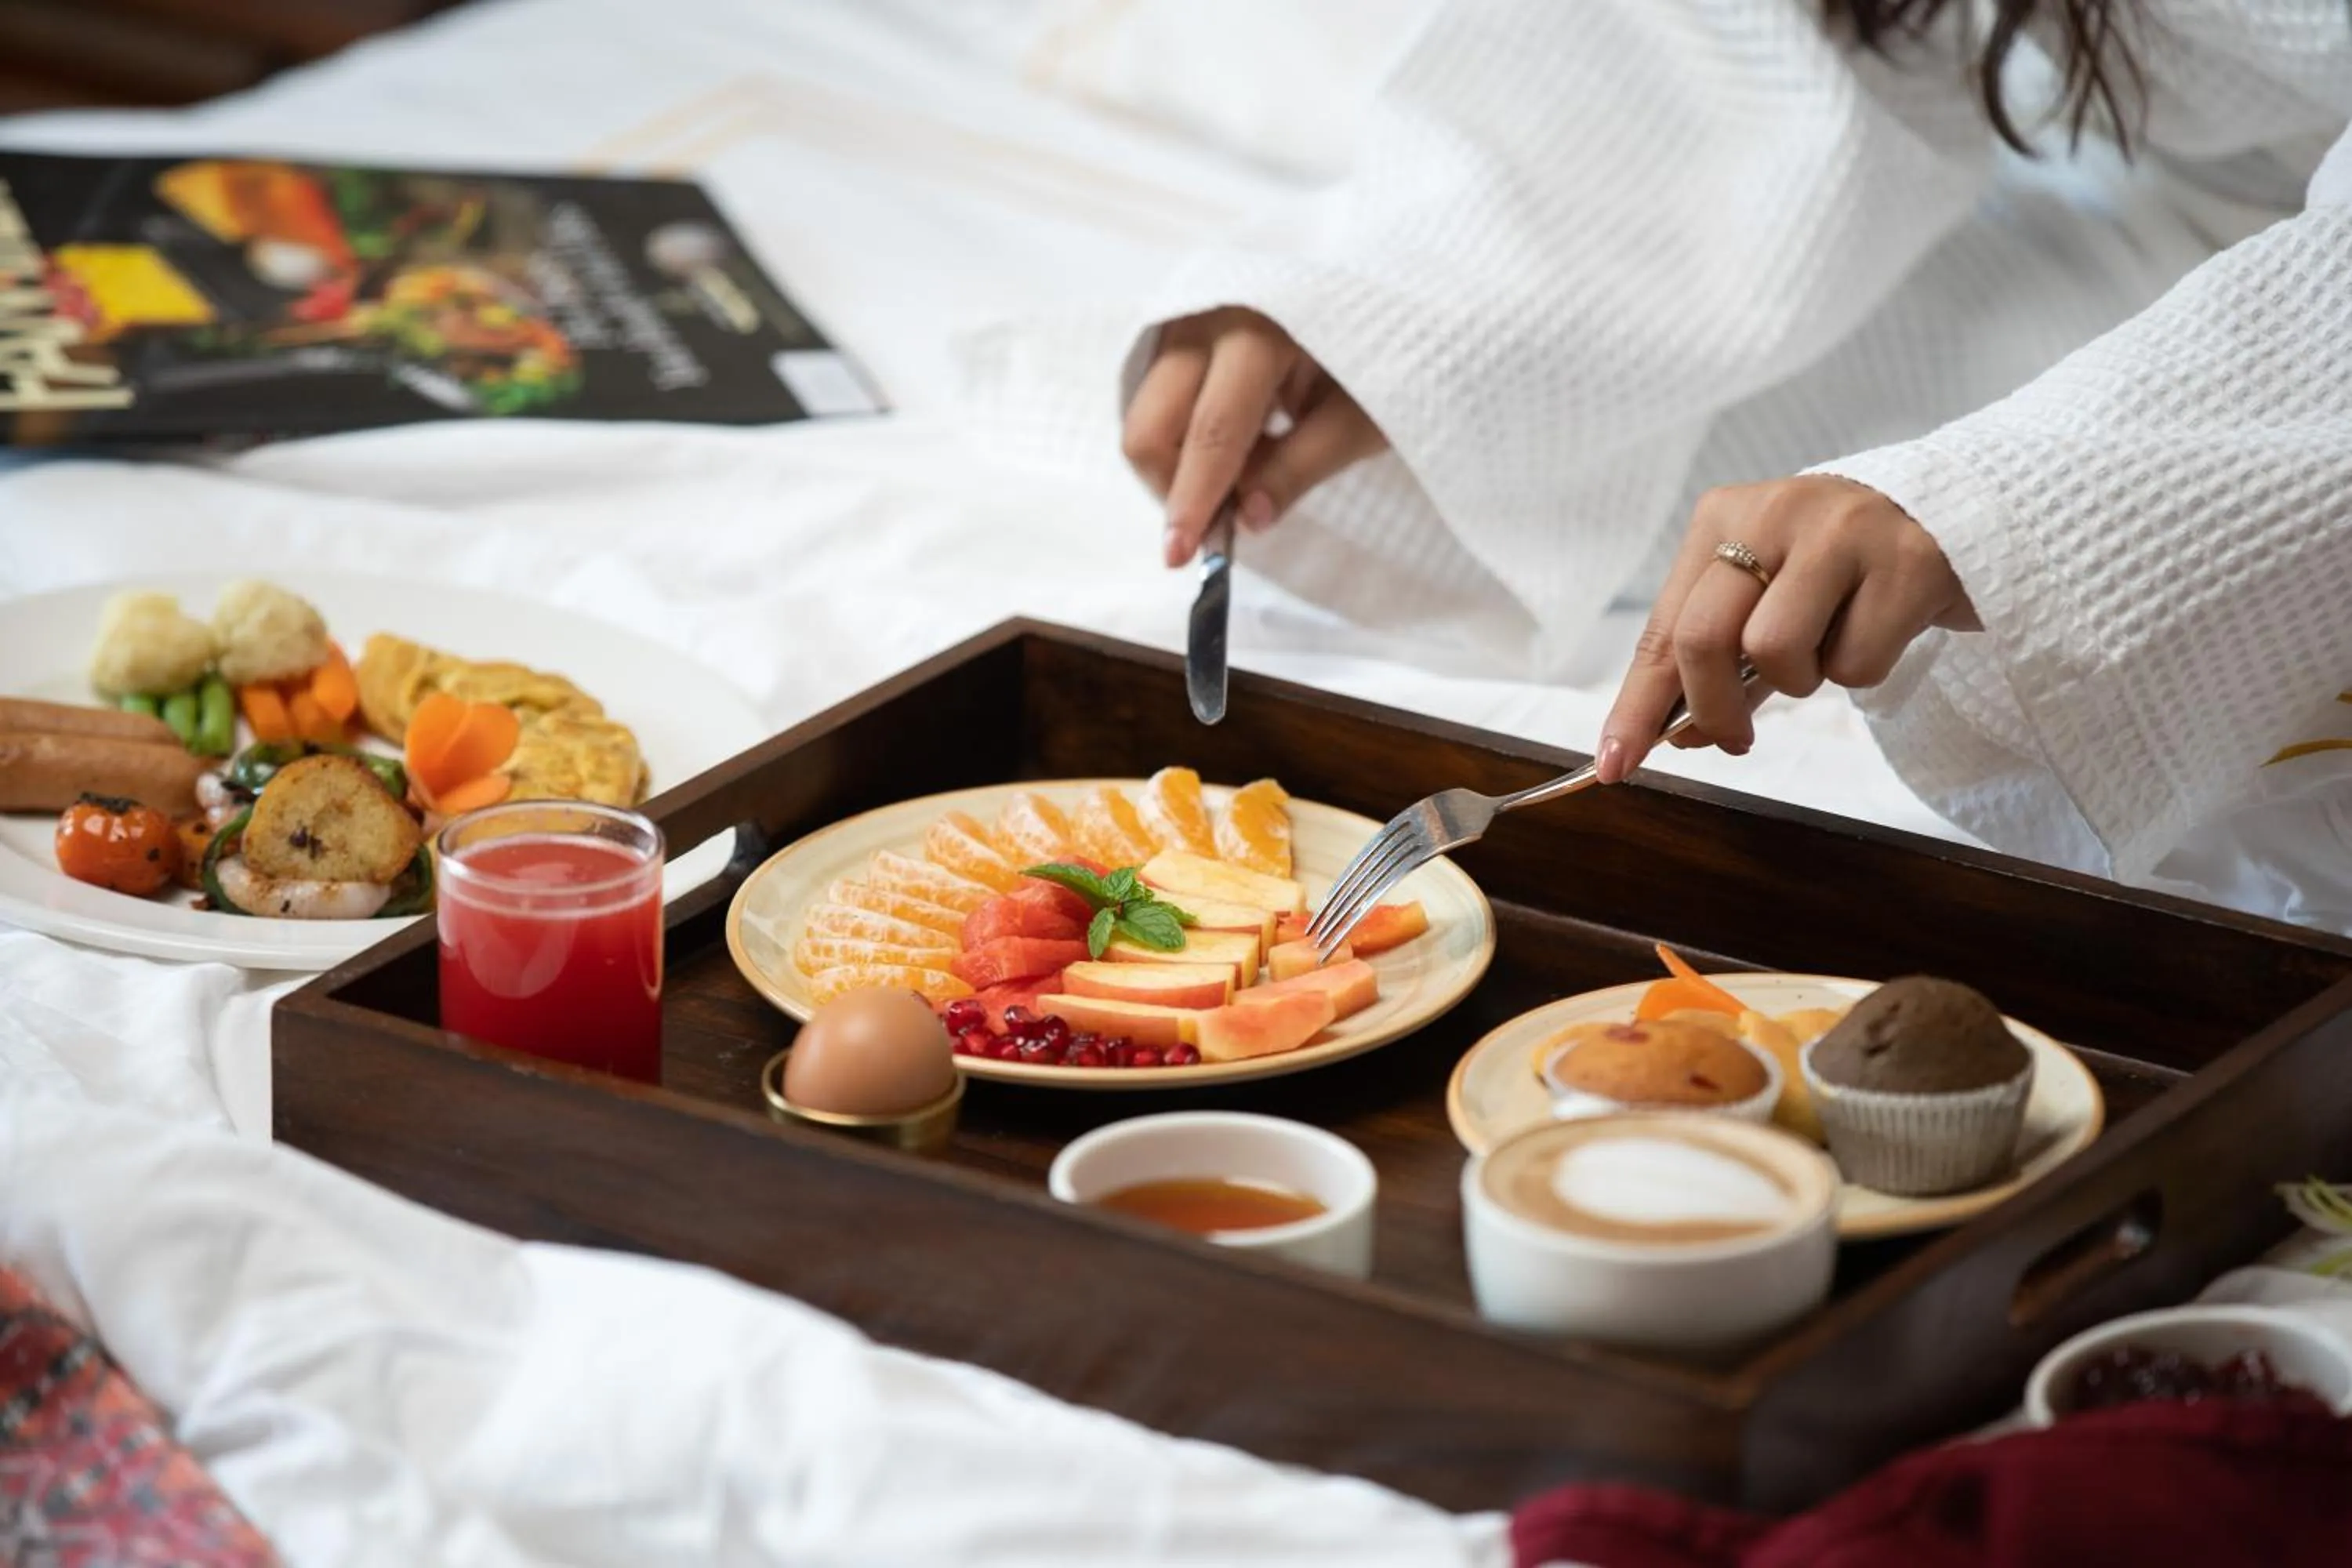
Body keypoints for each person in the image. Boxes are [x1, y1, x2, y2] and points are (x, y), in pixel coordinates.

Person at [1115, 0, 2352, 912]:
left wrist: (2020, 509)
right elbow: (1756, 33)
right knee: (1673, 474)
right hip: (2116, 199)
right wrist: (1407, 308)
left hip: (2314, 327)